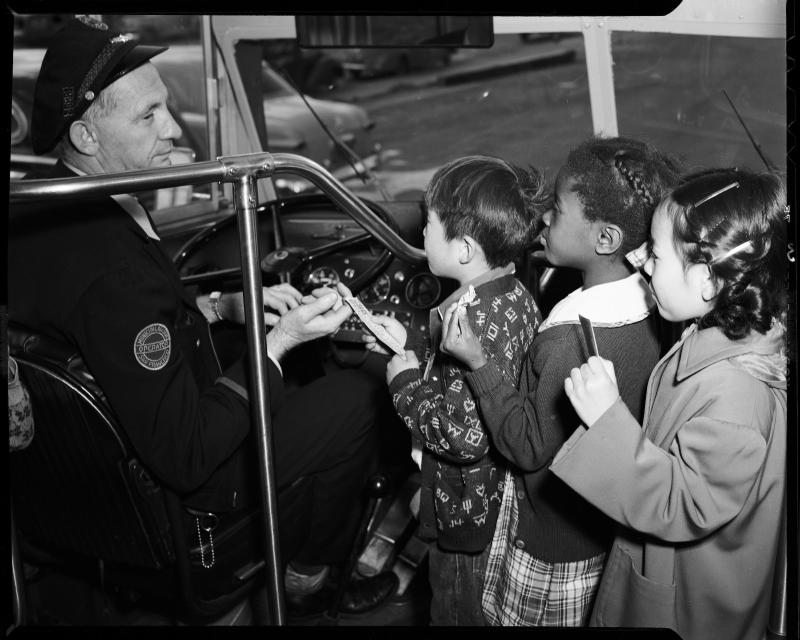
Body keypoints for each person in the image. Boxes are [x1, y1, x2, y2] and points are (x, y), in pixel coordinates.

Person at [8, 16, 397, 618]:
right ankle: (311, 579)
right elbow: (186, 456)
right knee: (359, 397)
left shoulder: (43, 216)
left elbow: (126, 329)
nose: (172, 130)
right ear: (85, 136)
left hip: (73, 490)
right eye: (147, 117)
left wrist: (226, 307)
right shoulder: (114, 273)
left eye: (165, 107)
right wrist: (278, 342)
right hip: (189, 489)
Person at [439, 136, 683, 626]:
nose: (544, 218)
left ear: (607, 239)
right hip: (596, 532)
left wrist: (478, 364)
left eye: (557, 207)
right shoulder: (657, 311)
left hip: (546, 546)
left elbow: (528, 445)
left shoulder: (570, 337)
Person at [552, 168, 788, 640]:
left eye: (654, 255)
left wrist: (606, 422)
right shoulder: (728, 326)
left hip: (687, 607)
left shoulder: (736, 400)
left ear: (706, 281)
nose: (643, 264)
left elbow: (685, 504)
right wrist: (660, 257)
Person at [364, 155, 547, 625]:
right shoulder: (512, 291)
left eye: (429, 223)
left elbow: (465, 438)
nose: (421, 230)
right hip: (487, 498)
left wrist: (405, 385)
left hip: (468, 512)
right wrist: (407, 349)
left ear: (464, 249)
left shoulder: (472, 320)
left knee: (456, 608)